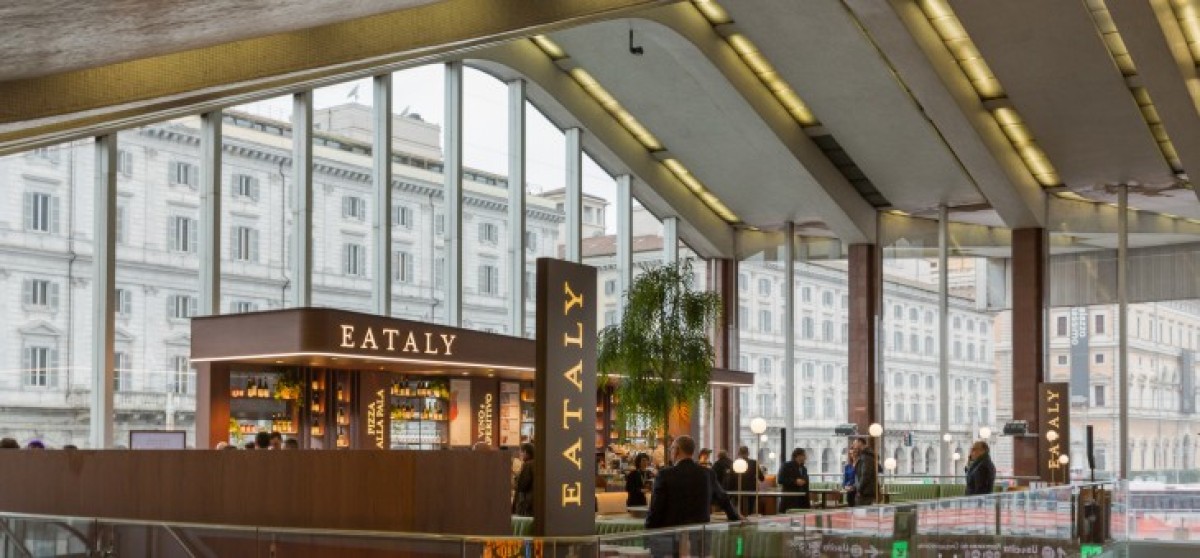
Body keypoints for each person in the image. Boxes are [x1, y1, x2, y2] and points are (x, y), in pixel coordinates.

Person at [645, 435, 740, 556]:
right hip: (700, 537)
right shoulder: (707, 474)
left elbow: (656, 508)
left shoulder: (664, 475)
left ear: (677, 450)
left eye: (671, 449)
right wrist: (735, 517)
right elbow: (723, 499)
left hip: (671, 538)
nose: (670, 452)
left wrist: (648, 530)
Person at [728, 446, 764, 516]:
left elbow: (731, 479)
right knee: (750, 510)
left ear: (739, 453)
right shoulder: (754, 463)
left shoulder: (735, 463)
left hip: (738, 490)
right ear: (748, 453)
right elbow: (761, 478)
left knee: (739, 510)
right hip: (751, 490)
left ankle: (741, 520)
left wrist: (730, 491)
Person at [852, 438, 877, 506]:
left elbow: (865, 475)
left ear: (860, 443)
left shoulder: (866, 457)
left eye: (855, 443)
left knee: (861, 510)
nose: (853, 445)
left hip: (865, 492)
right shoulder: (864, 456)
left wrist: (859, 489)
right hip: (865, 491)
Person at [512, 442, 534, 517]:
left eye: (521, 452)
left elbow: (522, 485)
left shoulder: (528, 465)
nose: (520, 455)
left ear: (525, 452)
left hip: (526, 503)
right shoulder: (538, 463)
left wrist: (516, 479)